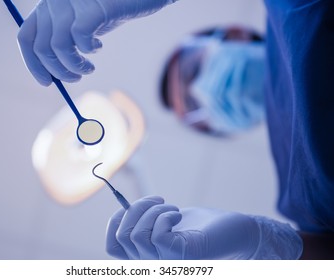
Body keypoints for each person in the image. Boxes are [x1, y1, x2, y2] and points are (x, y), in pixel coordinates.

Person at [17, 0, 334, 259]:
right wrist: (263, 245)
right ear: (220, 128)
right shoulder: (299, 200)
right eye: (196, 107)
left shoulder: (291, 10)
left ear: (235, 34)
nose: (205, 91)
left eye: (195, 70)